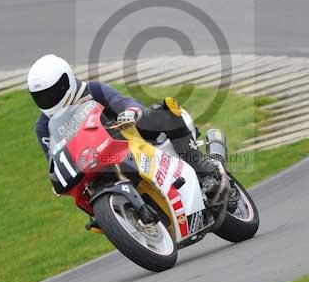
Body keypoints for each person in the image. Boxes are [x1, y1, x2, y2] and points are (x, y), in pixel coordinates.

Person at [27, 54, 222, 228]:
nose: (47, 100)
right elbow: (55, 159)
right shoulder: (43, 127)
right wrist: (57, 180)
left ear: (65, 82)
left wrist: (131, 111)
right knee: (79, 189)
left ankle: (203, 171)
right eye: (40, 97)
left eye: (51, 93)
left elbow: (122, 101)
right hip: (94, 162)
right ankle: (110, 215)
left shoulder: (92, 90)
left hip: (129, 138)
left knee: (164, 111)